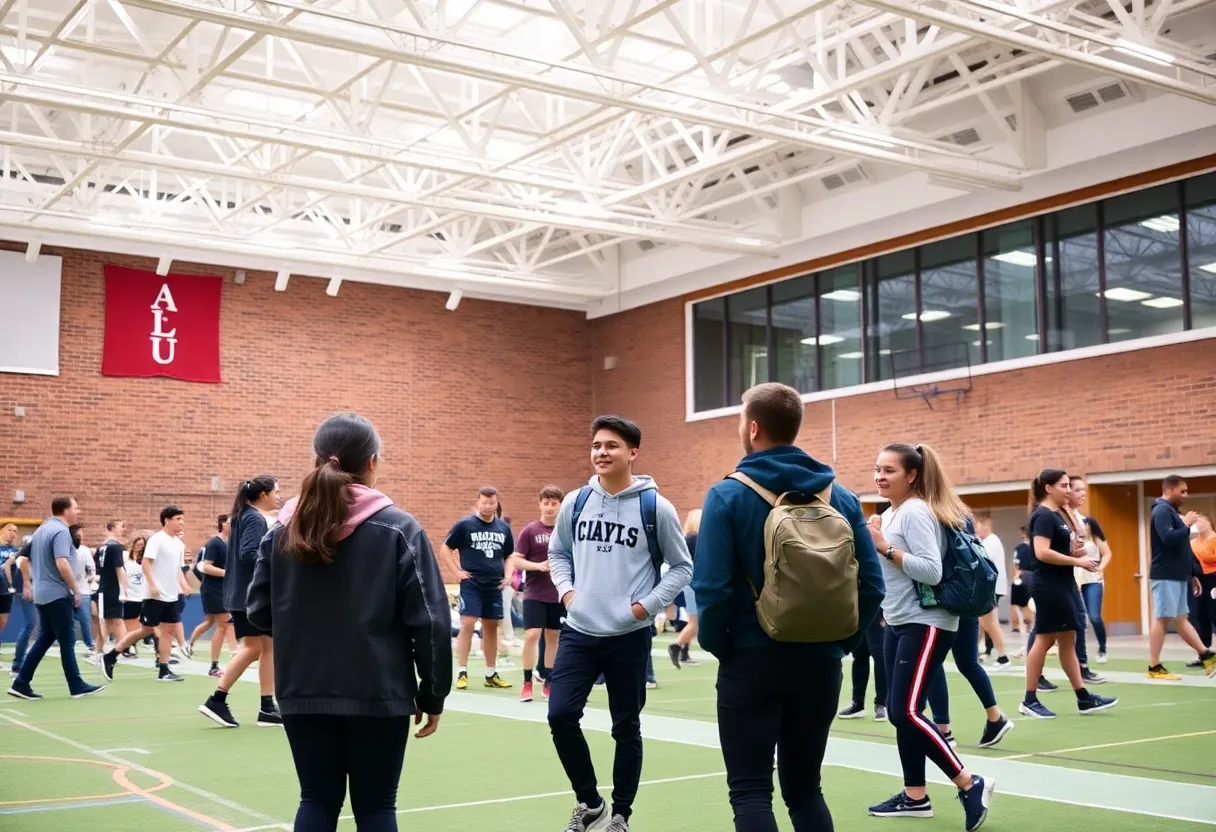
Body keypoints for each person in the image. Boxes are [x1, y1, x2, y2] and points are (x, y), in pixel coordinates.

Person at [693, 382, 884, 832]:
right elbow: (872, 585)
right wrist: (841, 643)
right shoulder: (840, 497)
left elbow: (712, 590)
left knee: (751, 792)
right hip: (821, 662)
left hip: (750, 657)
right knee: (805, 789)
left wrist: (723, 647)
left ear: (753, 428)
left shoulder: (726, 495)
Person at [247, 412, 450, 832]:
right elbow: (429, 621)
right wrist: (433, 694)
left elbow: (257, 611)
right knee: (376, 808)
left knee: (316, 800)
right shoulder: (398, 529)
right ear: (371, 462)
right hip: (379, 690)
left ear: (318, 459)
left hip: (302, 688)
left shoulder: (281, 530)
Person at [547, 415, 692, 832]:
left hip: (628, 636)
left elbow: (682, 568)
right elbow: (558, 554)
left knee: (625, 727)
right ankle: (590, 802)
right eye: (596, 445)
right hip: (578, 630)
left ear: (632, 452)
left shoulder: (655, 506)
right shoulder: (575, 501)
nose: (601, 453)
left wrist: (645, 608)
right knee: (560, 716)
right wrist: (568, 592)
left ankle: (622, 813)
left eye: (610, 445)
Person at [864, 444, 993, 831]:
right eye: (877, 469)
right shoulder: (892, 512)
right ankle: (914, 796)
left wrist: (884, 547)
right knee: (904, 714)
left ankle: (969, 783)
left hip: (928, 623)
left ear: (912, 475)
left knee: (905, 711)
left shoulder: (917, 511)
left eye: (889, 470)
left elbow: (931, 571)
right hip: (900, 622)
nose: (880, 477)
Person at [1018, 470, 1118, 719]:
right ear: (1049, 488)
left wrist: (1075, 555)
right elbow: (1041, 553)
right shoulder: (1043, 515)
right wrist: (1078, 563)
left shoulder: (1058, 515)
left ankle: (1083, 698)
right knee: (1044, 640)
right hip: (1048, 586)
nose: (1068, 490)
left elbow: (1056, 550)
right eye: (1063, 486)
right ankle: (1029, 699)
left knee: (1067, 642)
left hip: (1063, 585)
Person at [200, 476, 283, 726]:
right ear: (263, 494)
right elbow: (249, 553)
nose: (279, 496)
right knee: (254, 648)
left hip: (245, 594)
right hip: (249, 596)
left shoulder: (244, 516)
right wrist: (277, 562)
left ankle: (267, 707)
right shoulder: (254, 518)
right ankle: (217, 698)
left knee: (266, 647)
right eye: (276, 491)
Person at [7, 497, 105, 700]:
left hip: (42, 593)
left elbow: (24, 558)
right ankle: (76, 685)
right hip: (56, 593)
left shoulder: (42, 529)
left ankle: (21, 683)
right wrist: (75, 589)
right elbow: (62, 563)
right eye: (76, 507)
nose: (78, 511)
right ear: (65, 510)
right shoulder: (61, 531)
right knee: (67, 640)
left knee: (44, 638)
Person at [101, 507, 192, 683]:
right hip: (155, 595)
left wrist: (184, 585)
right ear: (167, 520)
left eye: (182, 519)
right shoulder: (157, 540)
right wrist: (152, 585)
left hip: (171, 595)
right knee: (147, 629)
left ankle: (164, 669)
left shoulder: (179, 544)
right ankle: (111, 656)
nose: (182, 522)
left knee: (168, 630)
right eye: (178, 519)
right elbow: (146, 563)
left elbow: (177, 569)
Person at [441, 486, 514, 692]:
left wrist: (508, 575)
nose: (487, 506)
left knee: (491, 627)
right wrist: (456, 571)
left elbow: (509, 555)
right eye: (484, 502)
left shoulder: (503, 528)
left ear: (496, 502)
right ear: (477, 502)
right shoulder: (465, 525)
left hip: (494, 584)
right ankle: (462, 671)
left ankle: (490, 673)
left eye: (491, 502)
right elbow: (445, 548)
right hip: (472, 582)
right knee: (468, 623)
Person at [1146, 475, 1216, 679]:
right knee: (1162, 619)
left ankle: (1206, 655)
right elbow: (1168, 539)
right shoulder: (1161, 511)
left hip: (1178, 575)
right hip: (1165, 574)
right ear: (1169, 490)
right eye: (1182, 491)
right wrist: (1185, 525)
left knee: (1181, 619)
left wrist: (1191, 573)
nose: (1185, 495)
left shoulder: (1172, 512)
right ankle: (1154, 666)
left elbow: (1183, 547)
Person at [511, 485, 565, 702]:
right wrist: (539, 566)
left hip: (559, 593)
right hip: (534, 593)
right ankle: (526, 683)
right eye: (546, 503)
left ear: (560, 505)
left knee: (553, 637)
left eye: (554, 503)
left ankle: (550, 682)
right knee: (532, 634)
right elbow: (516, 559)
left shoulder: (565, 531)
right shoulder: (530, 530)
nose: (550, 507)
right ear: (540, 504)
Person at [189, 515, 232, 677]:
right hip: (213, 589)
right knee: (223, 624)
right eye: (230, 522)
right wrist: (226, 573)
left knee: (210, 622)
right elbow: (205, 566)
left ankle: (189, 644)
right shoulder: (214, 543)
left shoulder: (231, 544)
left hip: (222, 589)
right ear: (222, 524)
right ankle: (214, 666)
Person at [972, 515, 1009, 668]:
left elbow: (979, 562)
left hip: (991, 587)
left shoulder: (990, 542)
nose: (975, 529)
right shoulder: (987, 541)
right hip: (990, 587)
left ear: (985, 526)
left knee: (989, 622)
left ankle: (1003, 657)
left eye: (978, 525)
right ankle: (974, 652)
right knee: (981, 621)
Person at [667, 510, 702, 669]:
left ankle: (684, 652)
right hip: (694, 584)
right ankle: (677, 645)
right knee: (695, 622)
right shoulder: (694, 539)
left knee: (693, 621)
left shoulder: (687, 538)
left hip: (689, 584)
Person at [94, 520, 128, 660]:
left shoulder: (102, 547)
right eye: (120, 526)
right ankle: (116, 649)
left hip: (107, 587)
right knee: (112, 621)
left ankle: (103, 650)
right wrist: (125, 588)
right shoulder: (115, 547)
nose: (123, 529)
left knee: (112, 621)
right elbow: (119, 568)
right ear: (112, 528)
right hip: (110, 588)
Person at [1008, 528, 1034, 646]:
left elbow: (1016, 564)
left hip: (1024, 575)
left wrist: (1016, 576)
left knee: (1019, 603)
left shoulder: (1021, 548)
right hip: (1033, 576)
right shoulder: (1035, 546)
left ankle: (1018, 625)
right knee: (1027, 603)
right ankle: (1028, 625)